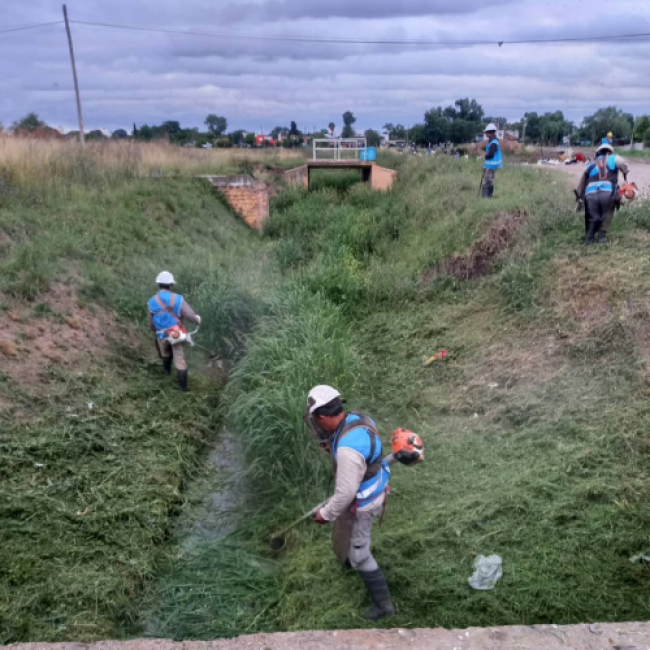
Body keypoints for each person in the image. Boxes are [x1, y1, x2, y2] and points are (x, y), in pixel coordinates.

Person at [306, 385, 394, 620]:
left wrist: (325, 514)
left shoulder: (347, 450)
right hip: (374, 482)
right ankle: (348, 559)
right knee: (348, 532)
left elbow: (345, 494)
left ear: (323, 417)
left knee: (360, 555)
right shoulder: (358, 418)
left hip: (365, 502)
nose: (315, 424)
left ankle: (383, 606)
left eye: (315, 420)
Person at [147, 271, 201, 392]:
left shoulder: (151, 301)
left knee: (165, 354)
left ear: (159, 285)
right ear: (171, 285)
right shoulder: (178, 298)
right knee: (180, 360)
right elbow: (189, 314)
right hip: (175, 333)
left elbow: (150, 322)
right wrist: (197, 319)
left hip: (160, 334)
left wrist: (153, 330)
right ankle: (183, 389)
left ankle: (167, 372)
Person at [576, 139, 629, 244]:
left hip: (590, 193)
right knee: (607, 212)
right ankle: (602, 237)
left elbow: (582, 183)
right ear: (609, 152)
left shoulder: (590, 164)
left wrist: (579, 198)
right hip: (607, 192)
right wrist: (625, 174)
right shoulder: (614, 158)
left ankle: (589, 238)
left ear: (598, 153)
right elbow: (623, 164)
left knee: (592, 216)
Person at [481, 123, 502, 198]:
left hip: (492, 165)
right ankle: (489, 196)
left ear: (491, 133)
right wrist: (485, 165)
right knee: (489, 180)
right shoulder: (491, 141)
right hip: (490, 164)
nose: (485, 134)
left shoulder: (494, 143)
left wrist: (485, 156)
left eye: (486, 132)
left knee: (486, 182)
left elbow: (491, 154)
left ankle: (486, 198)